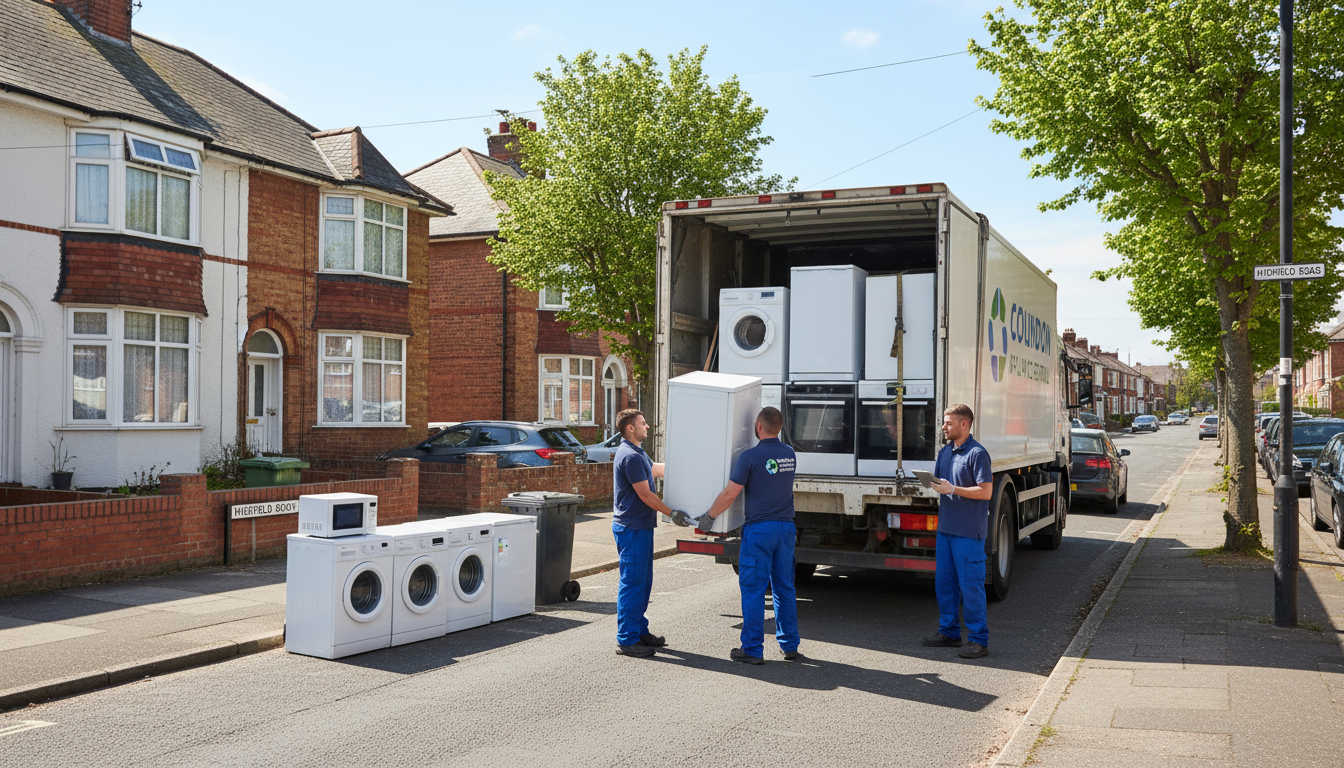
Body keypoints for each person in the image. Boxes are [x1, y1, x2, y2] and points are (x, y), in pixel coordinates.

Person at [697, 406, 801, 665]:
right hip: (786, 529)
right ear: (779, 427)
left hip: (760, 531)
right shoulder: (789, 454)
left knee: (754, 590)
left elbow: (730, 494)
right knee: (784, 587)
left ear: (758, 426)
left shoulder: (749, 457)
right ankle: (790, 645)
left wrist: (709, 517)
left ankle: (753, 649)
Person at [611, 409, 690, 658]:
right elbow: (645, 494)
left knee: (643, 584)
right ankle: (627, 639)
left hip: (640, 527)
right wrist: (671, 513)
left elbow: (654, 469)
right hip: (632, 528)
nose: (647, 426)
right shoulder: (630, 456)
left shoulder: (637, 452)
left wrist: (684, 466)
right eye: (643, 423)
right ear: (630, 428)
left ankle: (639, 630)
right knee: (633, 584)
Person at [921, 403, 995, 659]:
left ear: (964, 424)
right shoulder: (945, 452)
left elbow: (986, 491)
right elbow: (943, 484)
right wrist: (934, 484)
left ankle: (978, 641)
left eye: (948, 422)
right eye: (944, 422)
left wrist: (953, 489)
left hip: (968, 533)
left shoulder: (977, 453)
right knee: (945, 585)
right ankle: (949, 633)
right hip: (946, 530)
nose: (943, 427)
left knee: (971, 588)